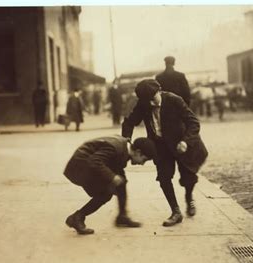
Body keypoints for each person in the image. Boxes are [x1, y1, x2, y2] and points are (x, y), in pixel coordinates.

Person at [122, 79, 208, 227]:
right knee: (164, 178)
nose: (151, 103)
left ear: (158, 91)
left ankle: (189, 197)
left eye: (153, 99)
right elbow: (129, 122)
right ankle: (176, 212)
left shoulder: (174, 100)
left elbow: (193, 122)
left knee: (188, 176)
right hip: (160, 146)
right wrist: (126, 140)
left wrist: (186, 141)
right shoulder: (144, 103)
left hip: (181, 143)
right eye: (147, 101)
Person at [64, 136, 157, 235]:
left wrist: (115, 178)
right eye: (144, 160)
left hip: (87, 163)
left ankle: (122, 216)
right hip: (79, 167)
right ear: (138, 152)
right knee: (106, 193)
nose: (142, 164)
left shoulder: (124, 149)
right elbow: (95, 161)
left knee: (121, 181)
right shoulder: (116, 149)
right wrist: (112, 176)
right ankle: (77, 217)